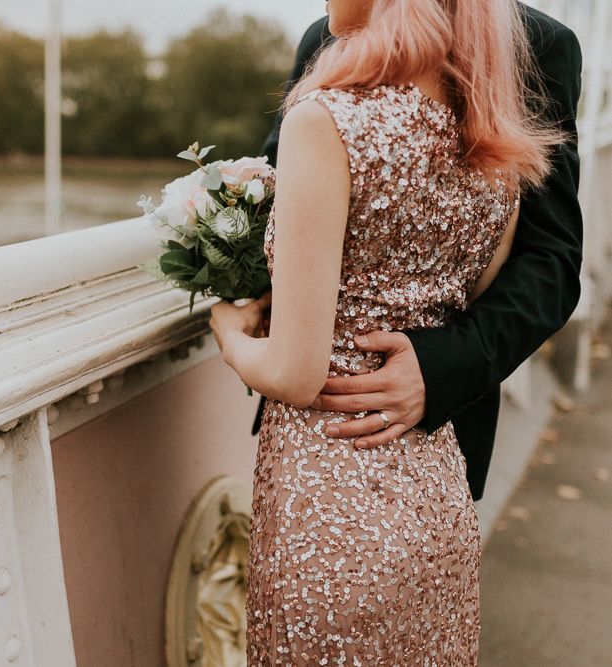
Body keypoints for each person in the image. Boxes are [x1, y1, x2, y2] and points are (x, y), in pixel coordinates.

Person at [208, 0, 576, 663]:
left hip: (341, 465)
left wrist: (228, 331)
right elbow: (289, 202)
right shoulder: (494, 151)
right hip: (434, 495)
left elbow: (552, 261)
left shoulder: (540, 46)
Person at [254, 2, 584, 504]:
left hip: (441, 426)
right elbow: (283, 190)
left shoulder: (540, 43)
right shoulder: (324, 35)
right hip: (303, 431)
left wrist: (440, 367)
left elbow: (552, 258)